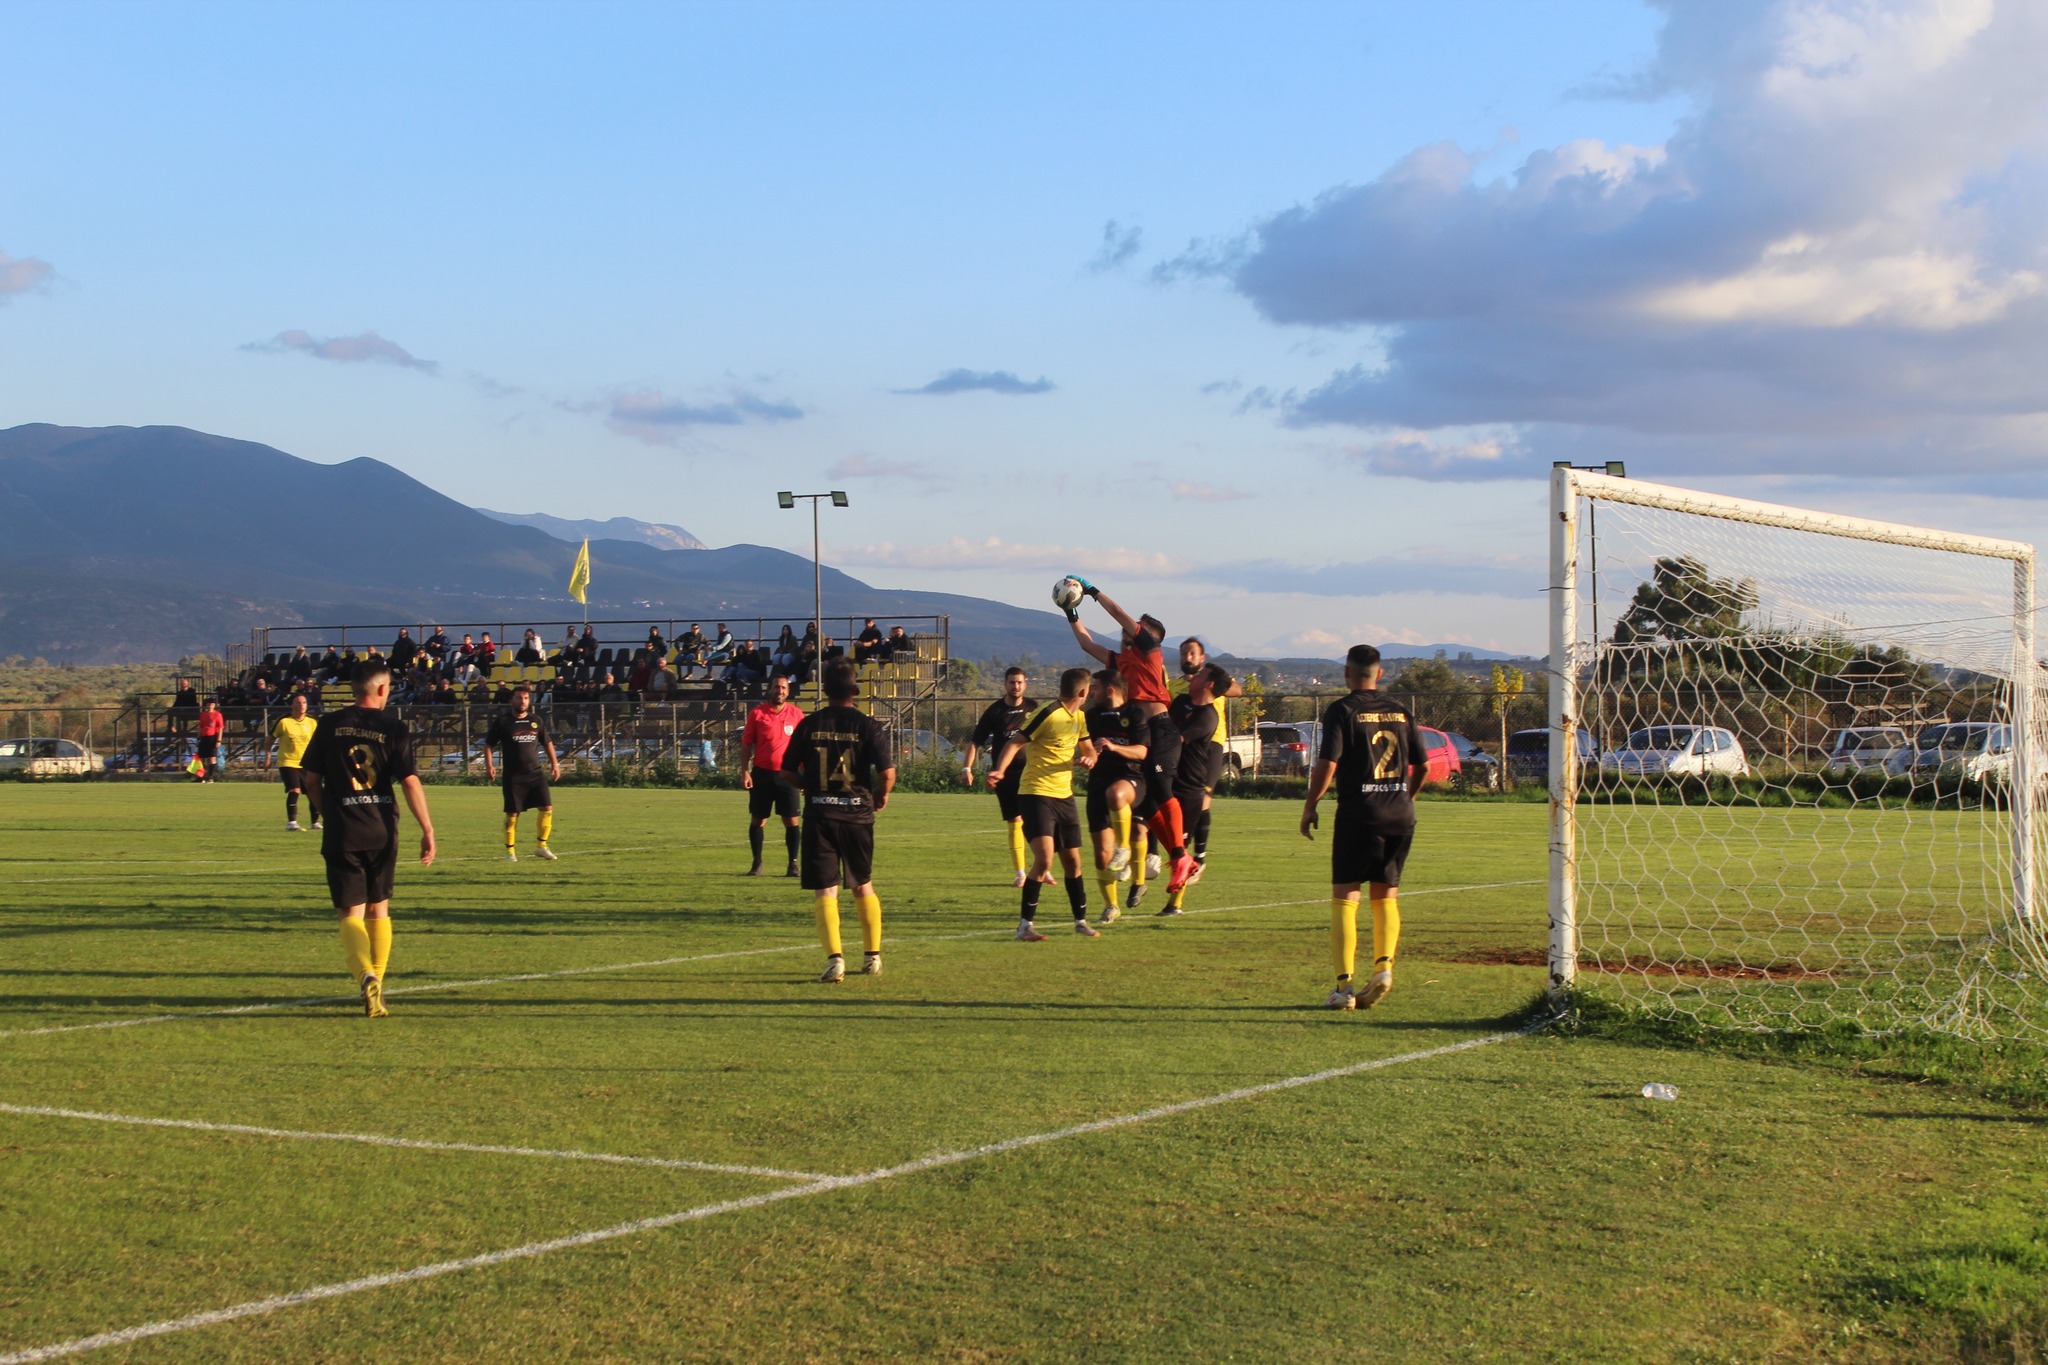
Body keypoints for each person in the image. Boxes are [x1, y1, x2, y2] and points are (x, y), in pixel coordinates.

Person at [301, 660, 437, 1019]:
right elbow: (409, 781)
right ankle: (379, 983)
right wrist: (428, 829)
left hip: (343, 828)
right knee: (379, 908)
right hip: (382, 828)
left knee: (350, 913)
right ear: (381, 689)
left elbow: (310, 781)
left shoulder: (328, 724)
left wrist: (328, 813)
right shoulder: (393, 727)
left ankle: (365, 974)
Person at [1301, 644, 1428, 1011]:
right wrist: (1409, 798)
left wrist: (1311, 804)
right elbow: (1423, 768)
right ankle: (1384, 967)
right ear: (1380, 673)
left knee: (1346, 896)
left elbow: (1328, 763)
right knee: (1386, 895)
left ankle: (1343, 989)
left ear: (1346, 673)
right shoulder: (1402, 710)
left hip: (1360, 813)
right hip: (1400, 814)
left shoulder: (1342, 709)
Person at [1063, 577, 1199, 895]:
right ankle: (1181, 857)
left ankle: (1180, 857)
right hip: (1145, 732)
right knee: (1150, 805)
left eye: (1136, 627)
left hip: (1162, 727)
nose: (1129, 628)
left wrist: (1091, 589)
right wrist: (1071, 611)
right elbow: (1085, 643)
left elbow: (1118, 611)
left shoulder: (1150, 651)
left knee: (1163, 790)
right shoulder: (1120, 661)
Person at [782, 659, 896, 982]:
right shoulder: (868, 726)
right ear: (855, 690)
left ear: (824, 689)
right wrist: (880, 795)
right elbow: (888, 774)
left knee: (825, 891)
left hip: (820, 816)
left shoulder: (808, 724)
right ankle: (872, 956)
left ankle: (835, 961)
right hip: (857, 816)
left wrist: (809, 786)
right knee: (862, 885)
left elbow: (787, 772)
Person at [988, 666, 1100, 940]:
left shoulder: (1080, 718)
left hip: (1065, 797)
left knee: (1073, 863)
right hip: (1035, 794)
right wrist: (1000, 770)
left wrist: (1090, 759)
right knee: (1045, 860)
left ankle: (1080, 921)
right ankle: (1025, 927)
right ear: (1084, 691)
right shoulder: (1048, 713)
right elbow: (1015, 742)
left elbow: (1089, 751)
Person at [1158, 663, 1231, 917]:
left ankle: (1175, 904)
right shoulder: (1181, 702)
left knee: (1178, 845)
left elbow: (1174, 737)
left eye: (1200, 675)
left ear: (1209, 684)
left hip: (1188, 787)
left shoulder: (1208, 716)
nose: (1194, 676)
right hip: (1168, 778)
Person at [1082, 669, 1148, 926]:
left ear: (1110, 690)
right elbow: (1087, 749)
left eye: (1095, 688)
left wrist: (1114, 747)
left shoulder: (1134, 713)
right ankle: (1112, 906)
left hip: (1131, 779)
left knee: (1116, 793)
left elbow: (1142, 751)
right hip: (1098, 782)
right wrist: (1087, 756)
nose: (1091, 693)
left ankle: (1126, 849)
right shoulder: (1091, 716)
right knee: (1101, 855)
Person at [962, 666, 1036, 886]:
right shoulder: (995, 711)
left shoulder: (1033, 708)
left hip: (1031, 773)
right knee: (1015, 821)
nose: (1016, 686)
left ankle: (1042, 866)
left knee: (1035, 821)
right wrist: (967, 768)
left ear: (1026, 684)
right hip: (1004, 776)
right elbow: (975, 741)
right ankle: (1021, 873)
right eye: (1012, 682)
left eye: (1020, 682)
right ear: (1005, 684)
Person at [1179, 636, 1242, 866]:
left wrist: (1209, 686)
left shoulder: (1212, 679)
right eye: (1184, 653)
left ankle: (1200, 856)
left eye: (1192, 653)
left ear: (1202, 657)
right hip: (1185, 748)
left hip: (1212, 744)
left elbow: (1237, 689)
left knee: (1204, 799)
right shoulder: (1176, 686)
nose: (1187, 657)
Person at [485, 683, 561, 862]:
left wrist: (555, 764)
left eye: (526, 698)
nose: (522, 701)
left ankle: (541, 847)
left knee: (547, 807)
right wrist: (489, 765)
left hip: (535, 773)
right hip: (513, 776)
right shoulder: (503, 722)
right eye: (519, 697)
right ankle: (510, 851)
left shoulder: (536, 720)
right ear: (512, 700)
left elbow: (547, 742)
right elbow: (489, 744)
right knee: (512, 814)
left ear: (530, 700)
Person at [741, 672, 804, 876]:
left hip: (788, 776)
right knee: (758, 820)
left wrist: (805, 776)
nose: (780, 691)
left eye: (784, 687)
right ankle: (757, 862)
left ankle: (793, 864)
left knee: (792, 820)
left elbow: (804, 748)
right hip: (762, 774)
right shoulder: (757, 714)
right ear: (770, 689)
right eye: (777, 687)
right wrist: (745, 771)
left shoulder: (796, 715)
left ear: (788, 691)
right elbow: (747, 744)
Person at [262, 691, 322, 831]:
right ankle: (292, 823)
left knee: (313, 791)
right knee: (294, 789)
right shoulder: (284, 722)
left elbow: (319, 742)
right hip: (288, 762)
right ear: (292, 705)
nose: (301, 705)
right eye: (298, 702)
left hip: (307, 763)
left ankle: (315, 823)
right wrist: (268, 757)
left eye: (304, 702)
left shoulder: (312, 722)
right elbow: (270, 739)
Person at [194, 698, 226, 783]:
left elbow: (220, 728)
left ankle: (210, 777)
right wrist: (198, 737)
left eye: (212, 705)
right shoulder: (203, 714)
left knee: (212, 758)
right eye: (208, 704)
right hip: (204, 737)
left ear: (214, 706)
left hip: (213, 737)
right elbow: (201, 727)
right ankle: (201, 777)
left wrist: (219, 740)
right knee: (200, 758)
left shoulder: (218, 715)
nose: (210, 706)